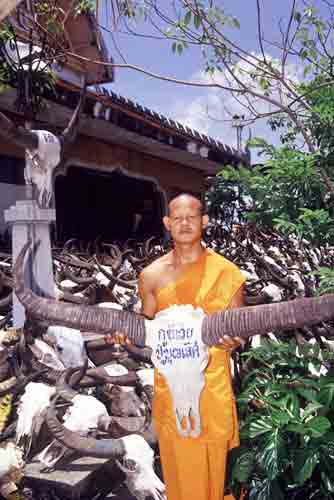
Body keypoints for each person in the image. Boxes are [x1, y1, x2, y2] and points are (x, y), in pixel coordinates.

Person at [137, 193, 246, 500]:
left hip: (212, 388)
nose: (185, 224)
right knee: (178, 473)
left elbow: (240, 331)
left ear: (205, 222)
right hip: (171, 391)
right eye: (178, 218)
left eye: (192, 217)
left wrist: (234, 341)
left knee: (215, 473)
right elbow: (145, 328)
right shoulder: (150, 276)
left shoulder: (227, 273)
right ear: (167, 223)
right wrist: (121, 337)